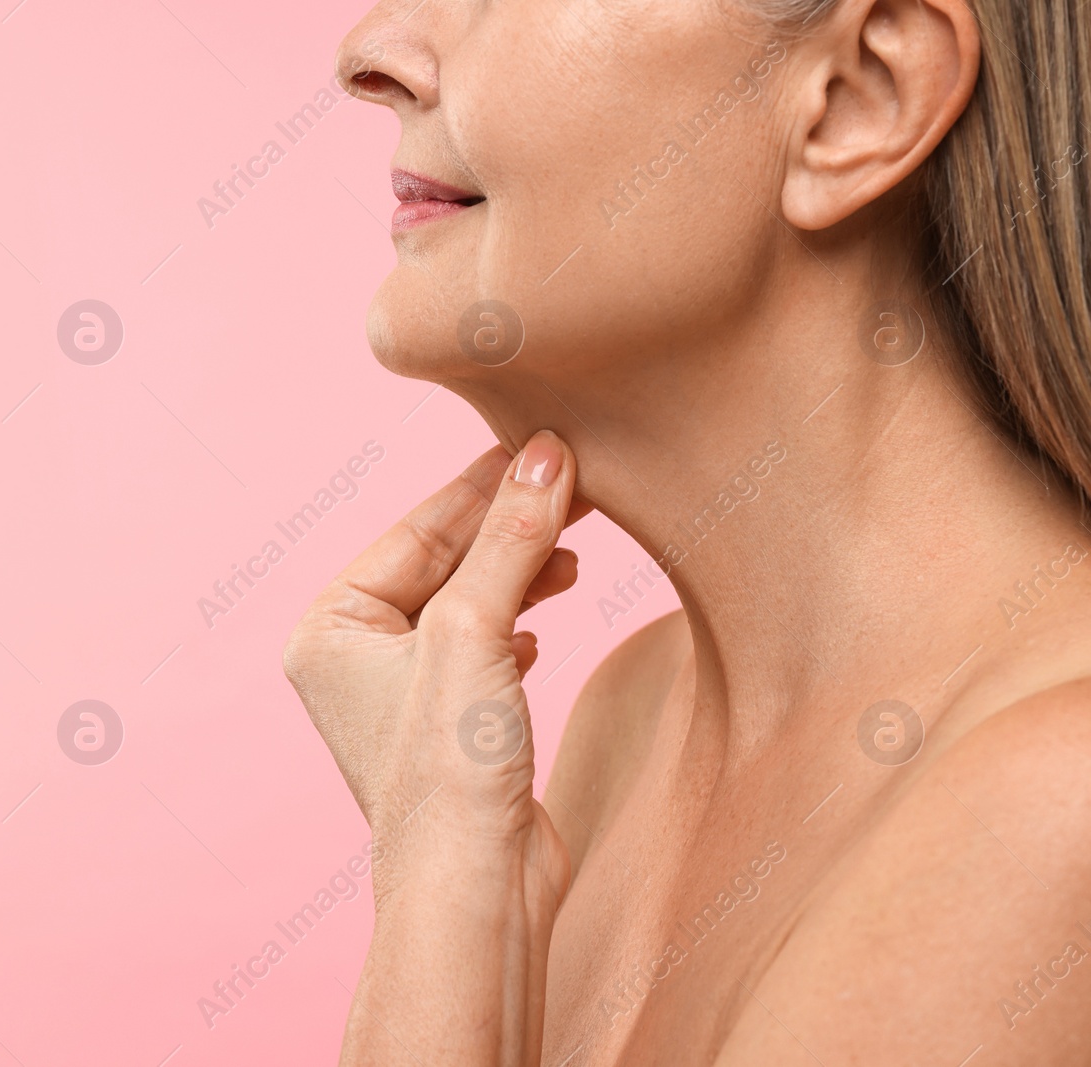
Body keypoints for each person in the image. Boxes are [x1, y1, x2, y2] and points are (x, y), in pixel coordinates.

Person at [282, 0, 1091, 1062]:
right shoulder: (633, 720)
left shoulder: (1055, 804)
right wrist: (440, 889)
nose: (368, 53)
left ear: (861, 98)